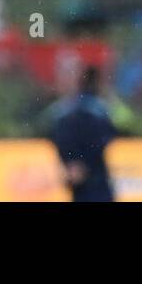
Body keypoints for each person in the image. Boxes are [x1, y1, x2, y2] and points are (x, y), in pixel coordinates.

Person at [47, 66, 118, 202]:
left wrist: (71, 162)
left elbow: (58, 138)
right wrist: (83, 164)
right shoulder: (99, 108)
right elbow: (106, 136)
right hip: (95, 177)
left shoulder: (63, 109)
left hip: (84, 179)